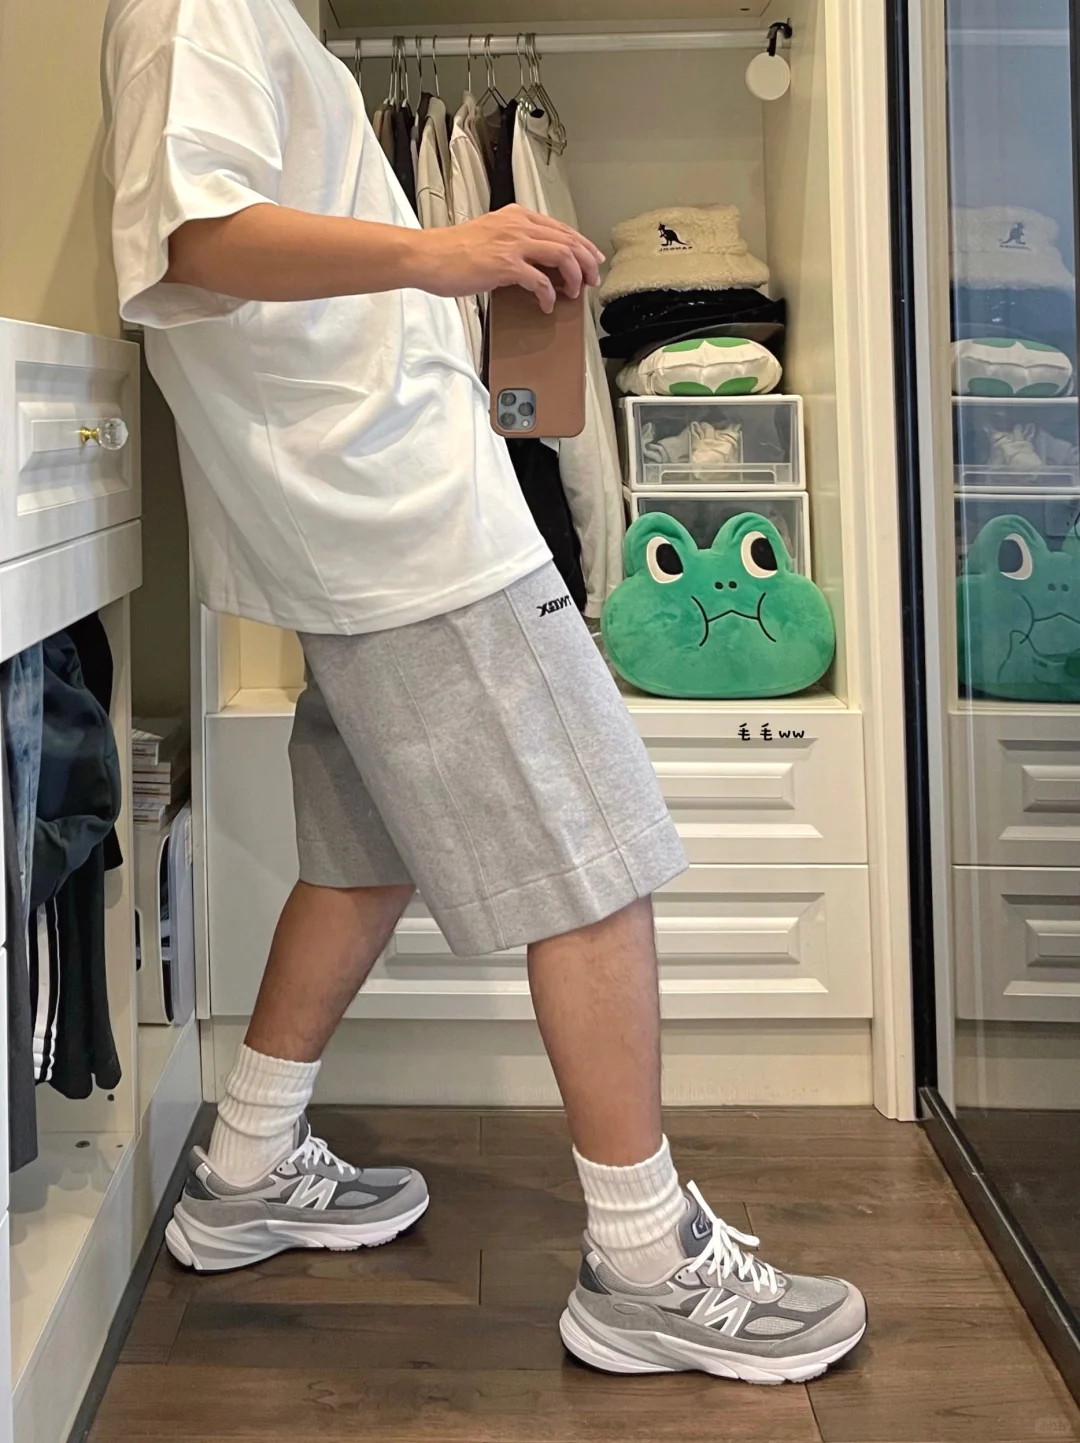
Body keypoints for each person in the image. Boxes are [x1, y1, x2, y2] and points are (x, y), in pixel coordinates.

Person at [101, 0, 866, 1381]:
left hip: (364, 506)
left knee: (365, 849)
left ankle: (245, 1165)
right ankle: (644, 1263)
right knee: (595, 850)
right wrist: (441, 251)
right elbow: (192, 238)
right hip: (393, 514)